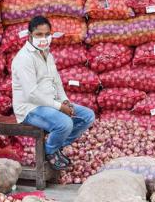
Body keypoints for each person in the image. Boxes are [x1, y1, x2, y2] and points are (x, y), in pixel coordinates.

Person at [11, 16, 95, 171]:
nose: (43, 38)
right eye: (39, 34)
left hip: (50, 102)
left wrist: (65, 100)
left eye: (46, 34)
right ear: (30, 35)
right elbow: (31, 94)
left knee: (87, 116)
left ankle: (53, 147)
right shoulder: (23, 58)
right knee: (65, 123)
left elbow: (56, 81)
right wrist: (58, 106)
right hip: (30, 108)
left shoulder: (47, 54)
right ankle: (49, 152)